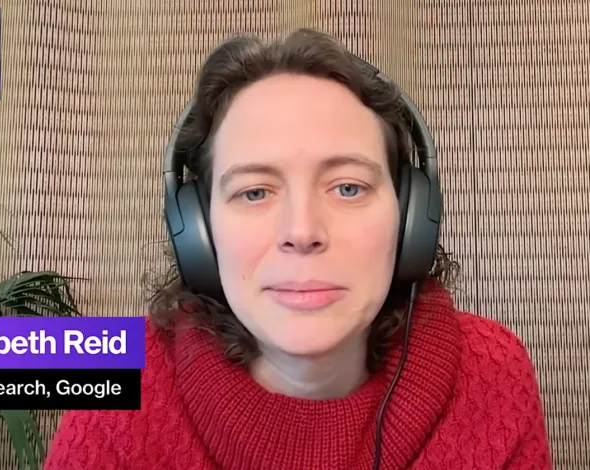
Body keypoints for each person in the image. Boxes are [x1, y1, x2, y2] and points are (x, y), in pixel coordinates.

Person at [45, 28, 552, 470]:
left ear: (410, 217)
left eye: (348, 188)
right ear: (197, 229)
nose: (303, 230)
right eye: (255, 192)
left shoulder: (491, 373)